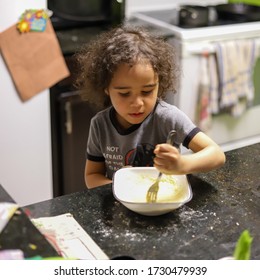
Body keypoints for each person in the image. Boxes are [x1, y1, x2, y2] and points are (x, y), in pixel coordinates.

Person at [75, 25, 226, 189]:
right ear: (106, 88)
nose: (138, 103)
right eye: (124, 93)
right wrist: (121, 185)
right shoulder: (100, 125)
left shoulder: (168, 118)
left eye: (147, 91)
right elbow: (92, 175)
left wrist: (182, 163)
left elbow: (216, 155)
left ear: (159, 84)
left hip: (164, 199)